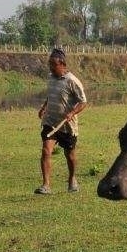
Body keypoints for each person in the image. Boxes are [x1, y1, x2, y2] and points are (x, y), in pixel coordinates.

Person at [35, 48, 88, 194]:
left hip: (66, 126)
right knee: (46, 151)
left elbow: (83, 102)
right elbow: (51, 95)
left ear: (62, 64)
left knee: (69, 154)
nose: (51, 67)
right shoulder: (50, 77)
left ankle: (72, 179)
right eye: (49, 64)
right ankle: (46, 185)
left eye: (53, 64)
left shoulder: (72, 81)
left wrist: (72, 112)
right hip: (50, 122)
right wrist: (44, 107)